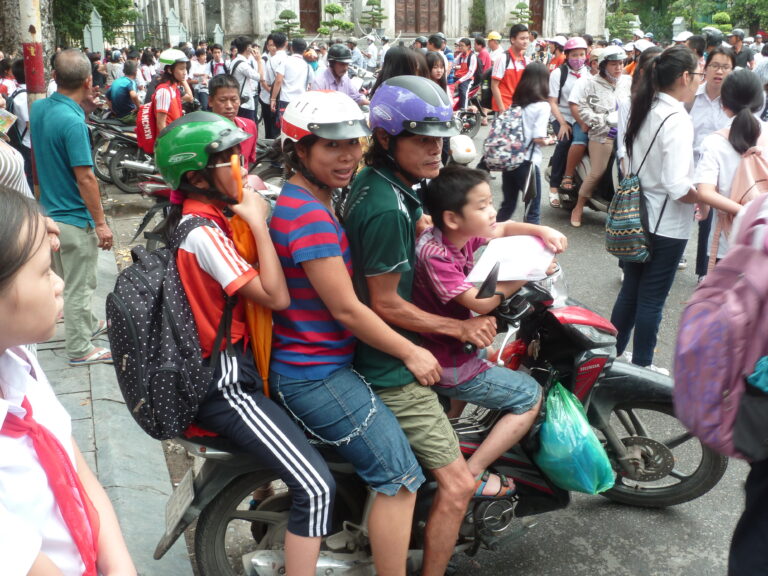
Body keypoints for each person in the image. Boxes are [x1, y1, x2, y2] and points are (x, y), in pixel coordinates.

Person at [154, 112, 334, 576]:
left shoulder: (204, 218)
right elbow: (276, 296)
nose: (240, 165)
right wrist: (257, 222)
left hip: (230, 369)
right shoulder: (205, 234)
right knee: (315, 486)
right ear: (196, 176)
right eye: (228, 159)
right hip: (225, 384)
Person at [269, 91, 434, 576]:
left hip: (318, 363)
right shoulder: (309, 217)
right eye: (330, 147)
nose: (347, 157)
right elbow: (347, 309)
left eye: (353, 145)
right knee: (401, 477)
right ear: (300, 150)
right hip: (314, 373)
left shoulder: (309, 197)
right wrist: (412, 352)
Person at [342, 76, 495, 576]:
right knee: (458, 483)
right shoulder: (388, 207)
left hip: (375, 352)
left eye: (440, 139)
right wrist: (457, 330)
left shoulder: (387, 189)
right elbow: (385, 303)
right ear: (386, 140)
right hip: (387, 364)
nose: (435, 150)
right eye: (421, 139)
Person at [0, 189, 137, 576]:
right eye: (45, 271)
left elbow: (77, 469)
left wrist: (120, 566)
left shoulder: (19, 362)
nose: (58, 282)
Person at [414, 161, 565, 454]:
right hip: (444, 358)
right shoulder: (436, 254)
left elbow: (504, 227)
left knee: (489, 353)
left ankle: (450, 434)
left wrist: (543, 230)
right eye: (482, 206)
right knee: (530, 396)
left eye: (491, 202)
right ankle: (473, 472)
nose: (491, 211)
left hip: (452, 345)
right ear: (453, 218)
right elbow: (479, 301)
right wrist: (532, 271)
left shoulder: (456, 235)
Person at [610, 45, 702, 371]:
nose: (699, 82)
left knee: (631, 293)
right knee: (651, 299)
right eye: (699, 75)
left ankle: (611, 357)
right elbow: (678, 186)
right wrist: (706, 196)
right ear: (685, 77)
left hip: (637, 216)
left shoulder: (644, 106)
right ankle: (644, 367)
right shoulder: (677, 117)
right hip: (665, 223)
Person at [30, 49, 114, 367]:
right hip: (74, 219)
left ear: (55, 77)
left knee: (67, 281)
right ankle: (80, 347)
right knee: (81, 285)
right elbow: (86, 178)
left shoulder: (39, 109)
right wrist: (102, 223)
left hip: (49, 213)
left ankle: (88, 325)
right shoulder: (73, 124)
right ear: (89, 80)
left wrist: (84, 110)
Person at [694, 70, 765, 273]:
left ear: (724, 105)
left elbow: (705, 192)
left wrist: (743, 212)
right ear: (760, 101)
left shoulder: (714, 142)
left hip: (727, 242)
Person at [686, 46, 735, 281]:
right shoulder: (692, 95)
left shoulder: (733, 101)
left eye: (725, 67)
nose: (719, 71)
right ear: (705, 67)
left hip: (717, 169)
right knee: (682, 214)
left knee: (711, 222)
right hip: (688, 164)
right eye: (715, 65)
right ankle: (674, 255)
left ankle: (704, 270)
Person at [569, 45, 631, 227]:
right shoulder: (591, 84)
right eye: (614, 64)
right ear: (604, 65)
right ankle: (579, 207)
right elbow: (583, 109)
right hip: (603, 135)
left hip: (626, 135)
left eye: (621, 64)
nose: (618, 68)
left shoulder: (628, 82)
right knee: (597, 172)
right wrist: (603, 119)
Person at [498, 62, 551, 224]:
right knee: (532, 210)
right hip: (528, 164)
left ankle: (489, 236)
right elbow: (538, 138)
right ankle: (532, 246)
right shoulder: (542, 106)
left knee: (507, 205)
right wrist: (550, 140)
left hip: (510, 161)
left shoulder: (517, 104)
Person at [547, 36, 590, 206]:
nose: (578, 58)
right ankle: (554, 187)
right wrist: (563, 123)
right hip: (561, 115)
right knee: (565, 142)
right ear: (566, 56)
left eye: (581, 54)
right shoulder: (558, 73)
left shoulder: (589, 73)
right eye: (574, 55)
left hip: (582, 116)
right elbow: (552, 101)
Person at [208, 74, 257, 169]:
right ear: (210, 101)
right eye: (222, 100)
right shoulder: (203, 134)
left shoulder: (250, 126)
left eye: (234, 100)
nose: (229, 106)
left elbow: (247, 162)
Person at [271, 38, 313, 131]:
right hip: (300, 102)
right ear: (304, 50)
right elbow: (311, 86)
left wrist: (273, 99)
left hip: (285, 100)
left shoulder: (285, 62)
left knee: (285, 128)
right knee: (298, 127)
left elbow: (278, 81)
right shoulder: (308, 66)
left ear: (291, 48)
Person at [152, 48, 193, 133]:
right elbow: (161, 124)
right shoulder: (164, 91)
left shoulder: (173, 87)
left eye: (185, 68)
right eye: (181, 69)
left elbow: (190, 97)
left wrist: (182, 79)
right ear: (170, 70)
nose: (185, 72)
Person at [491, 24, 529, 113]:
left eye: (527, 38)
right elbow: (494, 86)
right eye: (522, 38)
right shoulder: (502, 58)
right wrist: (501, 109)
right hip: (505, 108)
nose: (526, 41)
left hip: (520, 107)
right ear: (512, 40)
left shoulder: (526, 60)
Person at [8, 59, 31, 191]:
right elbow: (30, 124)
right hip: (28, 144)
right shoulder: (24, 97)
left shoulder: (16, 92)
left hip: (24, 141)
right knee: (31, 179)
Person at [259, 33, 287, 140]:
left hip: (277, 98)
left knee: (277, 126)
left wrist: (274, 94)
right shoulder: (265, 59)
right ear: (267, 46)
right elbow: (263, 80)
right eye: (270, 45)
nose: (273, 48)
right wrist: (272, 91)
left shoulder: (280, 59)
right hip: (268, 98)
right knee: (270, 127)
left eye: (274, 45)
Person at [230, 35, 264, 122]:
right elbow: (260, 77)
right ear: (248, 48)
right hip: (245, 102)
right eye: (250, 46)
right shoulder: (243, 65)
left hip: (239, 98)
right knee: (248, 126)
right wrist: (259, 60)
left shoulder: (234, 61)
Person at [452, 37, 478, 111]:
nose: (460, 47)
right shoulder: (460, 55)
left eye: (462, 46)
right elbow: (453, 63)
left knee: (463, 92)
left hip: (467, 79)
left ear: (468, 46)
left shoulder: (472, 56)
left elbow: (470, 73)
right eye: (459, 46)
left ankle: (464, 112)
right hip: (458, 77)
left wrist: (459, 81)